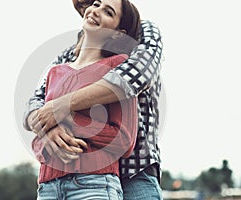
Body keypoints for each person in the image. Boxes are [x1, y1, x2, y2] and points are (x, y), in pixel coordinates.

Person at [24, 0, 164, 199]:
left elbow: (136, 74)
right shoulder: (66, 58)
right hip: (60, 179)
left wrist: (63, 111)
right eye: (95, 4)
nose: (94, 10)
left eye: (106, 9)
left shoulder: (142, 32)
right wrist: (49, 129)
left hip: (135, 170)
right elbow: (37, 101)